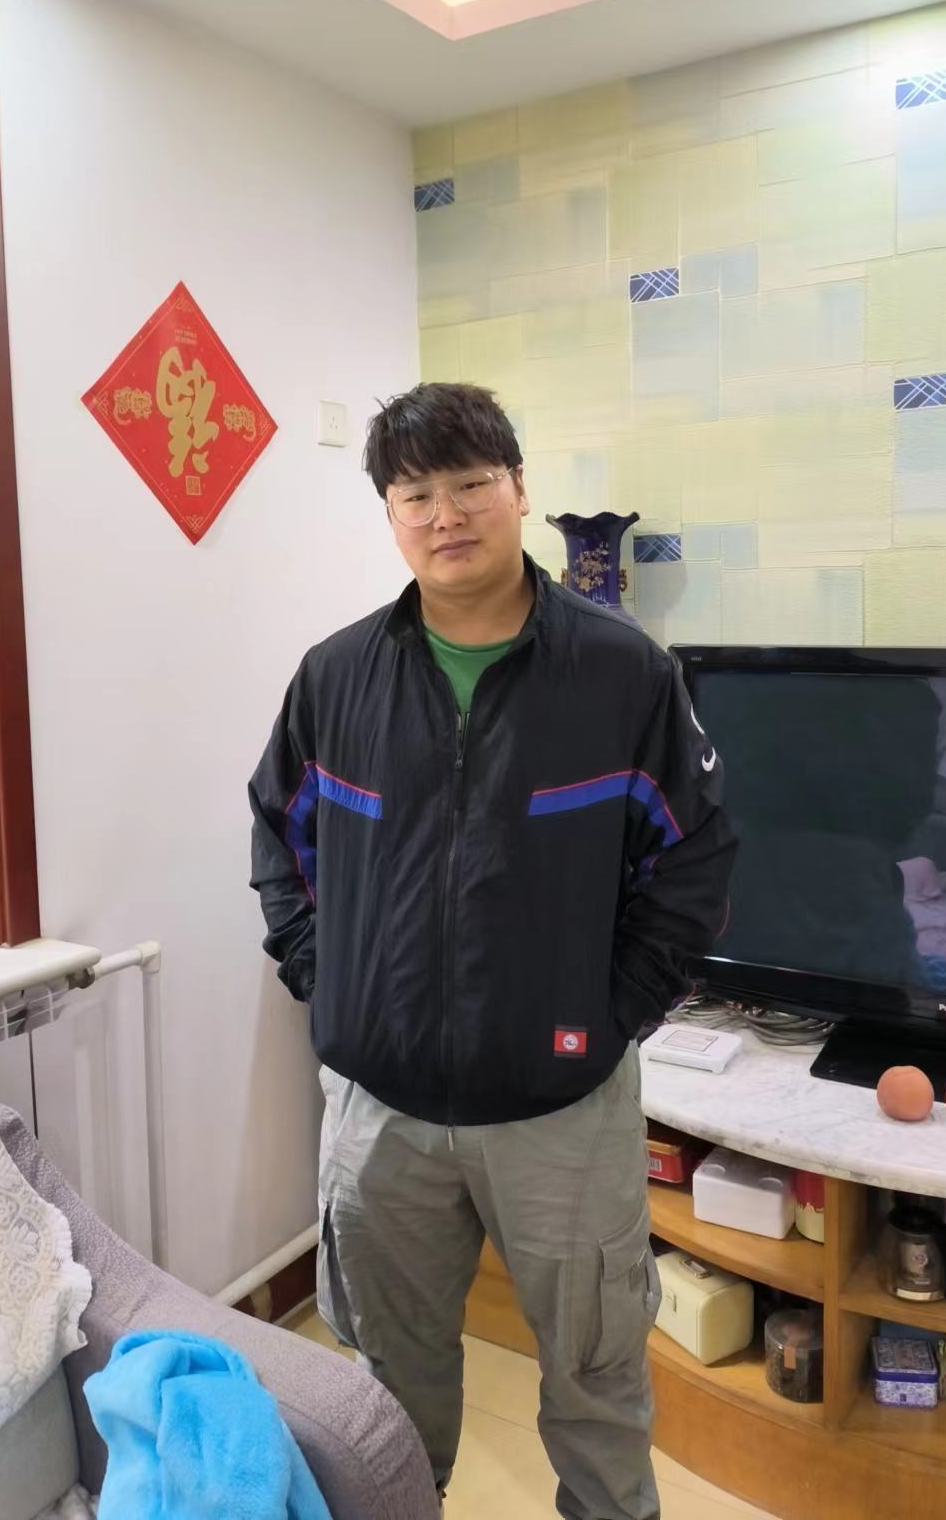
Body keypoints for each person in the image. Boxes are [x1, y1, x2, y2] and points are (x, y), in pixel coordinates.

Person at [249, 383, 735, 1519]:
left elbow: (693, 860)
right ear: (389, 513)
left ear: (519, 489)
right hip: (379, 1114)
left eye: (471, 484)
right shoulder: (335, 677)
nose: (446, 514)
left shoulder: (622, 674)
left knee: (598, 1380)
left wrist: (609, 1014)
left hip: (563, 1106)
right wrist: (330, 981)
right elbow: (281, 838)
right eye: (415, 493)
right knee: (383, 1389)